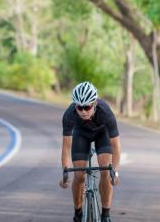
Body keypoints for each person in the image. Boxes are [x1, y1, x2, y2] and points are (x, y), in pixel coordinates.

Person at [59, 81, 121, 222]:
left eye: (87, 107)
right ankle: (78, 213)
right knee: (79, 175)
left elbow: (116, 145)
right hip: (81, 134)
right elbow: (66, 147)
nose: (83, 111)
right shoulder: (69, 115)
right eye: (79, 108)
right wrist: (65, 174)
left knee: (106, 171)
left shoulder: (105, 112)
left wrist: (115, 172)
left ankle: (105, 215)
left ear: (94, 104)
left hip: (101, 133)